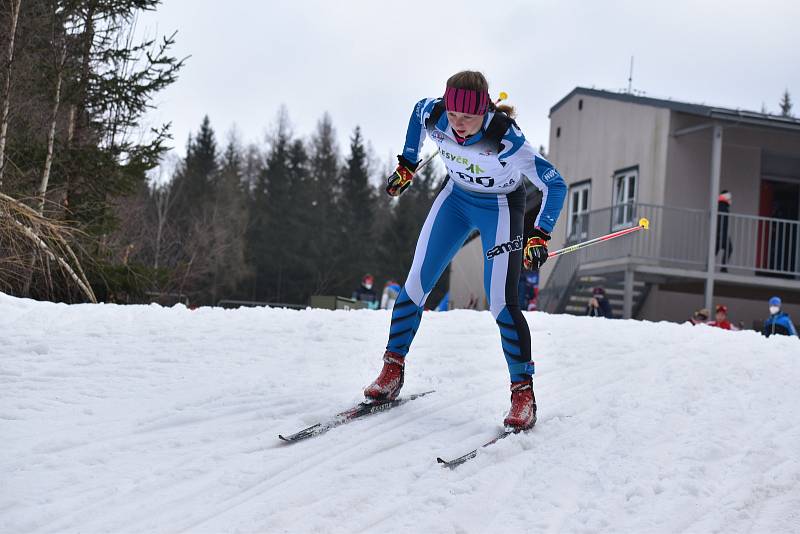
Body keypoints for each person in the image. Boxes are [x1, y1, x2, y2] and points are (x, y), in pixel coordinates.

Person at [363, 70, 567, 431]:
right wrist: (407, 163)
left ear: (485, 110)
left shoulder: (507, 138)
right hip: (455, 200)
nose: (458, 126)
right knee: (415, 283)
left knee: (501, 302)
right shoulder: (434, 112)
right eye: (454, 116)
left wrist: (540, 234)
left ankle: (523, 393)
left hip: (502, 207)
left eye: (468, 118)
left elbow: (555, 184)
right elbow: (417, 112)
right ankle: (392, 367)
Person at [716, 190, 733, 272]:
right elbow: (720, 220)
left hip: (720, 232)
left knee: (715, 249)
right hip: (721, 233)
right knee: (729, 248)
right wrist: (720, 232)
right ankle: (723, 267)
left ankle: (710, 266)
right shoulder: (721, 207)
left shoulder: (720, 206)